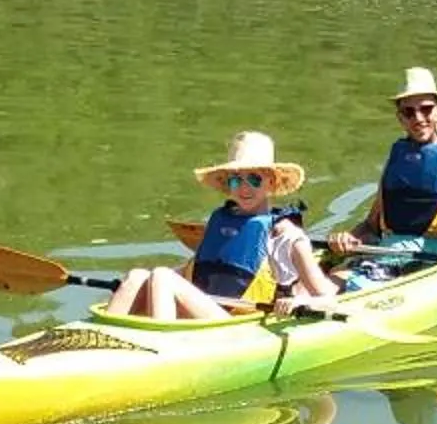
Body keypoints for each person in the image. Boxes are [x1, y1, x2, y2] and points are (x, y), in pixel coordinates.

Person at [103, 131, 345, 322]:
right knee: (137, 276)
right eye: (235, 179)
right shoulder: (221, 221)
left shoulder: (288, 236)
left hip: (237, 323)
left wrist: (299, 303)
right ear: (227, 184)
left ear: (271, 182)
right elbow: (204, 272)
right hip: (206, 310)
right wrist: (147, 281)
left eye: (254, 178)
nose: (244, 187)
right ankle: (100, 339)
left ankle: (160, 351)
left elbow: (326, 296)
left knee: (163, 277)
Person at [326, 66, 437, 258]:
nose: (418, 118)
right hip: (390, 250)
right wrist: (348, 238)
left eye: (426, 109)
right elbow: (371, 226)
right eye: (409, 112)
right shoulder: (397, 158)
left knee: (341, 283)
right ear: (400, 118)